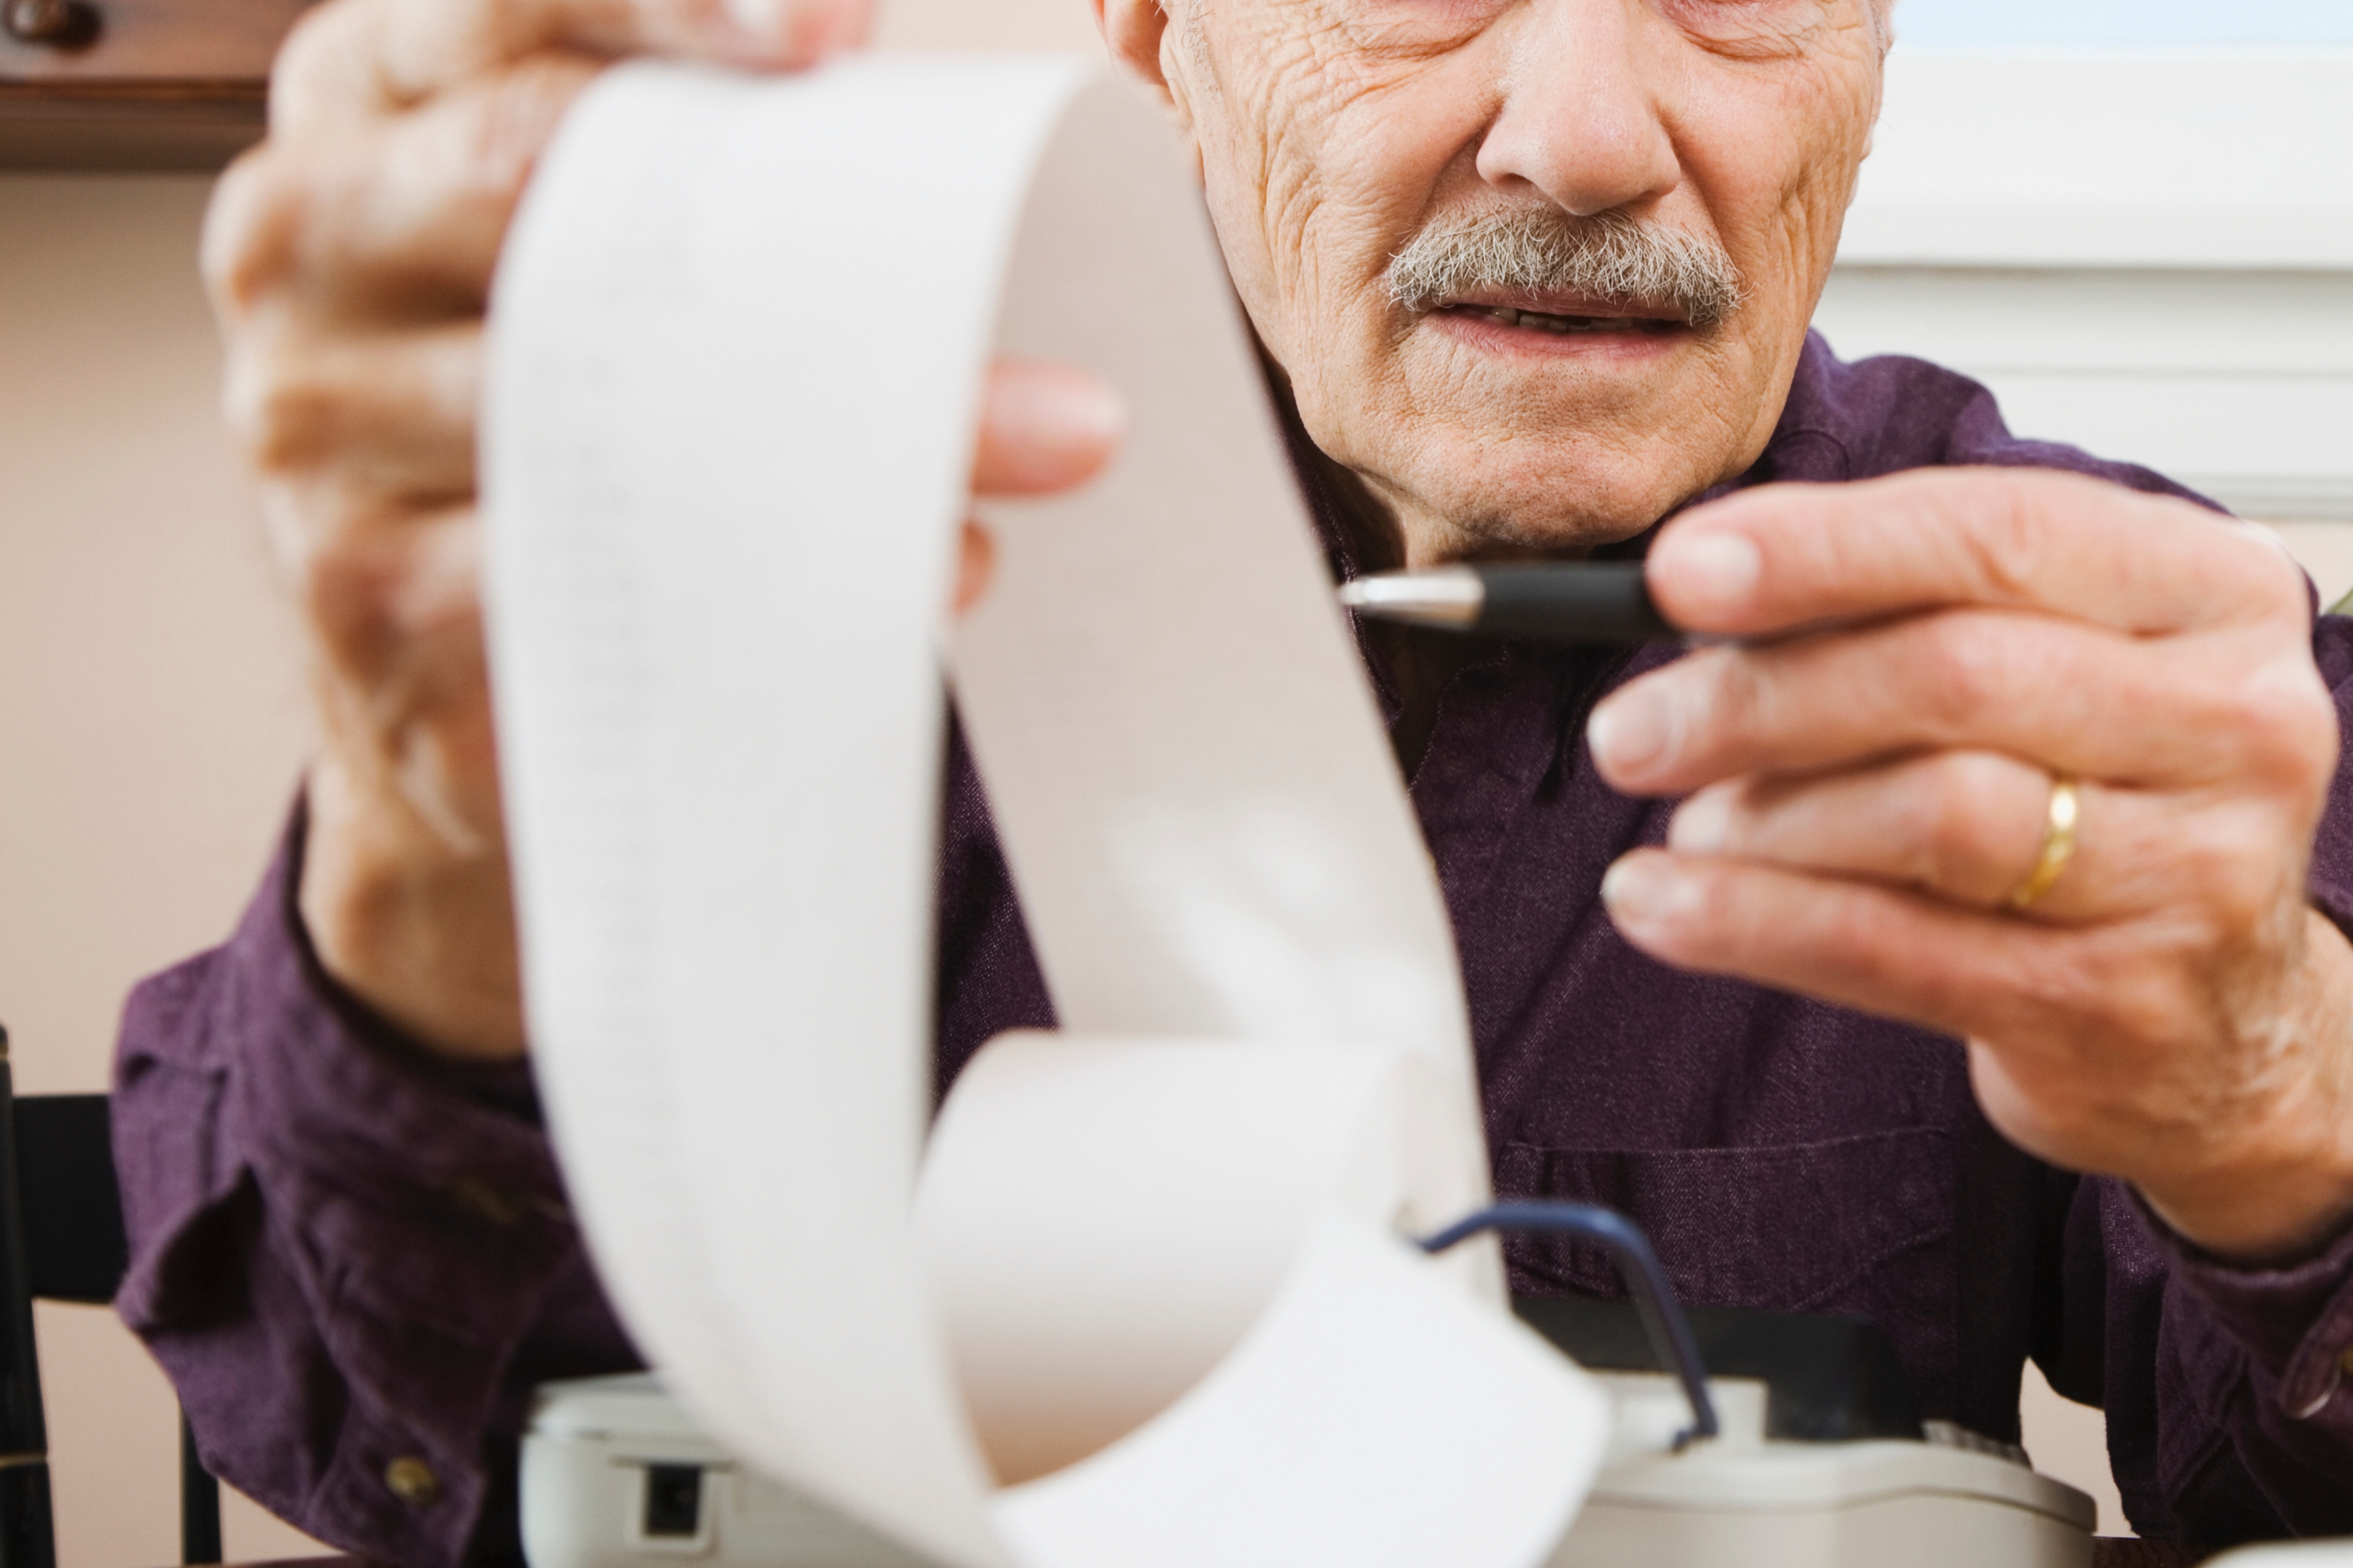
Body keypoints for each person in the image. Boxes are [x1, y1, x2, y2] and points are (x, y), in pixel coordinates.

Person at [114, 0, 2353, 1560]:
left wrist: (2275, 1085)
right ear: (1150, 26)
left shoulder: (2122, 667)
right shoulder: (782, 543)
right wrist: (436, 837)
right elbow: (349, 1426)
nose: (1585, 133)